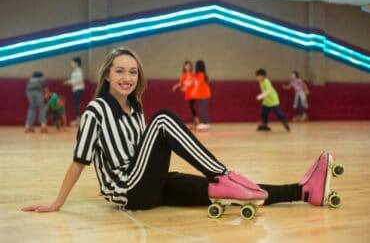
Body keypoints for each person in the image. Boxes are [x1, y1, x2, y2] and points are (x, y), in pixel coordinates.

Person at [21, 47, 341, 215]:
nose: (127, 77)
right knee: (163, 120)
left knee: (227, 191)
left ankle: (301, 191)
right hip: (129, 192)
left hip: (151, 184)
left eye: (133, 72)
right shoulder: (96, 112)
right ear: (107, 76)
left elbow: (145, 152)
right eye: (120, 71)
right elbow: (79, 161)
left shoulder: (136, 107)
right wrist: (57, 202)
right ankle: (221, 173)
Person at [172, 61, 199, 127]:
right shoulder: (183, 75)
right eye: (186, 66)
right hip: (188, 94)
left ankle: (196, 121)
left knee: (192, 106)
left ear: (191, 67)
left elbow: (195, 82)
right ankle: (195, 121)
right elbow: (181, 83)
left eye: (189, 66)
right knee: (191, 106)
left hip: (193, 93)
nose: (188, 67)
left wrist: (192, 87)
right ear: (184, 67)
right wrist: (176, 86)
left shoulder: (193, 75)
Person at [64, 57, 84, 126]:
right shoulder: (75, 71)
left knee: (76, 104)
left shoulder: (78, 70)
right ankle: (77, 119)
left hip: (78, 89)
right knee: (76, 104)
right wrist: (68, 82)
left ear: (76, 63)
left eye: (72, 62)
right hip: (76, 89)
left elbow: (79, 80)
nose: (71, 64)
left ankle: (78, 120)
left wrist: (70, 82)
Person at [192, 60, 211, 131]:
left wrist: (194, 91)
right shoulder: (201, 74)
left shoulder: (201, 74)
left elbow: (198, 84)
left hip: (204, 96)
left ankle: (206, 123)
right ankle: (204, 123)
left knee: (202, 110)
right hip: (203, 96)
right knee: (202, 110)